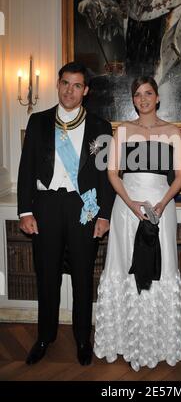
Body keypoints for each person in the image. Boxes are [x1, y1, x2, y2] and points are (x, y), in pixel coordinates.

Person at [17, 61, 115, 366]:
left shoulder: (100, 126)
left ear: (85, 91)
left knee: (84, 277)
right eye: (64, 83)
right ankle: (45, 337)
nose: (69, 90)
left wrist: (103, 215)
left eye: (76, 85)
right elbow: (26, 169)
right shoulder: (39, 121)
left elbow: (105, 175)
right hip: (45, 206)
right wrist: (25, 210)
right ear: (57, 85)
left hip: (83, 206)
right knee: (46, 276)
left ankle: (83, 339)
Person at [93, 76, 181, 371]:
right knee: (125, 265)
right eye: (137, 94)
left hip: (163, 205)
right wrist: (132, 204)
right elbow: (112, 173)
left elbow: (180, 176)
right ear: (133, 100)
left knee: (163, 265)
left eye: (148, 93)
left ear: (158, 98)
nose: (143, 98)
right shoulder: (123, 131)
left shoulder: (173, 132)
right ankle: (123, 340)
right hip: (126, 206)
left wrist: (163, 202)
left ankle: (158, 342)